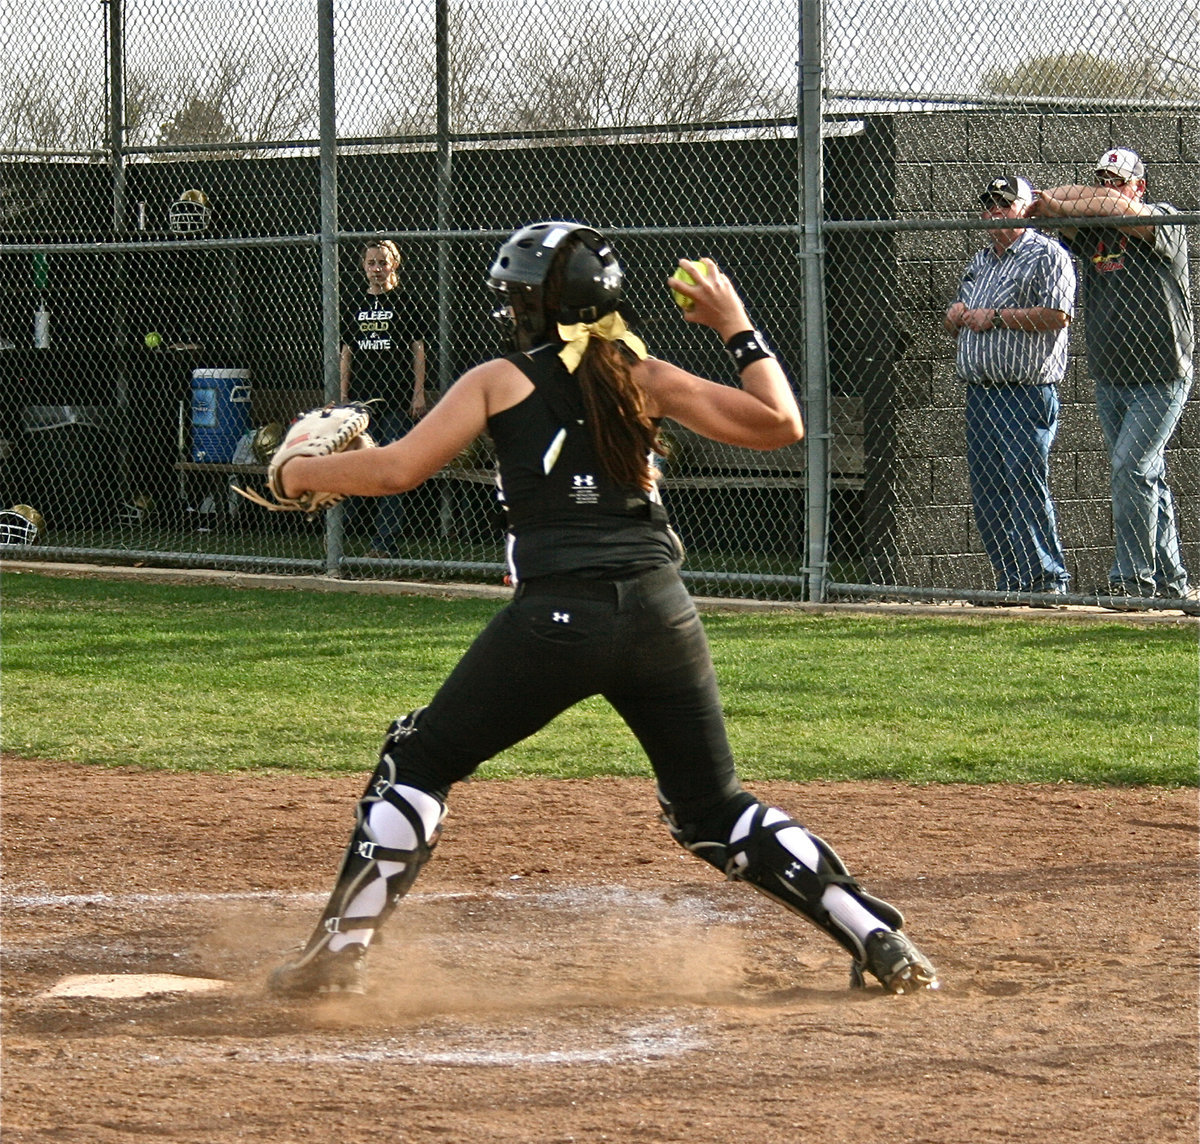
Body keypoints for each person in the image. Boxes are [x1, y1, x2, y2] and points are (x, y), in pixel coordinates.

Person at [266, 221, 939, 999]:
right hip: (661, 612)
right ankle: (872, 931)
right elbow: (782, 422)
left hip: (557, 617)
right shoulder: (641, 374)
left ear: (531, 307)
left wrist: (294, 478)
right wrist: (735, 324)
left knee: (418, 757)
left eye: (515, 295)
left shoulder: (499, 378)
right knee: (713, 808)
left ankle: (339, 957)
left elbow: (394, 470)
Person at [1032, 149, 1196, 607]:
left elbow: (1117, 209)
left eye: (1117, 180)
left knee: (1131, 468)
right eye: (1101, 178)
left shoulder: (1164, 219)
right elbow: (1050, 206)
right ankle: (1173, 580)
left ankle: (1132, 580)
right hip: (1112, 374)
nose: (1108, 187)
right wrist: (1061, 200)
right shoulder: (1094, 233)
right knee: (1146, 476)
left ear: (1139, 186)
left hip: (1163, 372)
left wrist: (1076, 200)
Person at [944, 175, 1076, 600]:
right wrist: (956, 316)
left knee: (1024, 483)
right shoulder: (981, 260)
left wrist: (996, 317)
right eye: (989, 204)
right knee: (988, 491)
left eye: (1004, 204)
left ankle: (1047, 581)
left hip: (1024, 392)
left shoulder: (1047, 254)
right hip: (980, 392)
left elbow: (1057, 315)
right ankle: (1012, 582)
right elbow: (963, 318)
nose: (994, 212)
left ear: (1025, 209)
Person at [340, 239, 431, 557]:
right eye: (371, 263)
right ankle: (339, 536)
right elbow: (347, 352)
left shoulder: (407, 302)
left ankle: (383, 544)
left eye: (382, 262)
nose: (377, 269)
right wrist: (344, 396)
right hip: (363, 401)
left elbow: (418, 350)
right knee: (356, 466)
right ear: (363, 267)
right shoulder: (353, 303)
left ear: (394, 264)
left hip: (395, 398)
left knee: (391, 470)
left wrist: (418, 393)